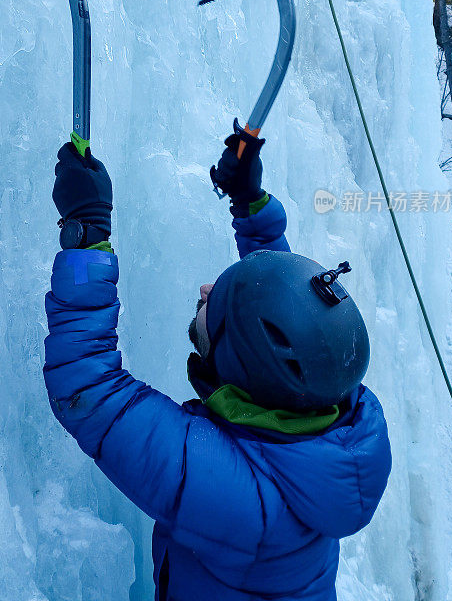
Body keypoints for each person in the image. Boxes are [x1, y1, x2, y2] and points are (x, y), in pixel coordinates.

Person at [44, 123, 392, 601]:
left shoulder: (237, 497)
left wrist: (85, 236)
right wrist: (251, 203)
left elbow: (88, 387)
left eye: (216, 303)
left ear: (241, 361)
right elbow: (285, 305)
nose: (206, 290)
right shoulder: (329, 411)